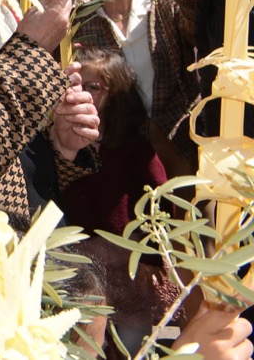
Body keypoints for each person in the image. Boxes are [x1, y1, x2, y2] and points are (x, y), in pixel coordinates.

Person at [59, 47, 177, 357]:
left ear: (118, 95)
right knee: (86, 340)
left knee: (129, 342)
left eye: (93, 87)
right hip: (81, 264)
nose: (81, 92)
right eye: (75, 84)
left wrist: (151, 257)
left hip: (127, 262)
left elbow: (159, 201)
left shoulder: (134, 150)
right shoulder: (63, 144)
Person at [71, 0, 201, 166]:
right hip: (115, 161)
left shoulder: (162, 3)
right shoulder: (77, 22)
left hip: (180, 148)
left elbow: (201, 35)